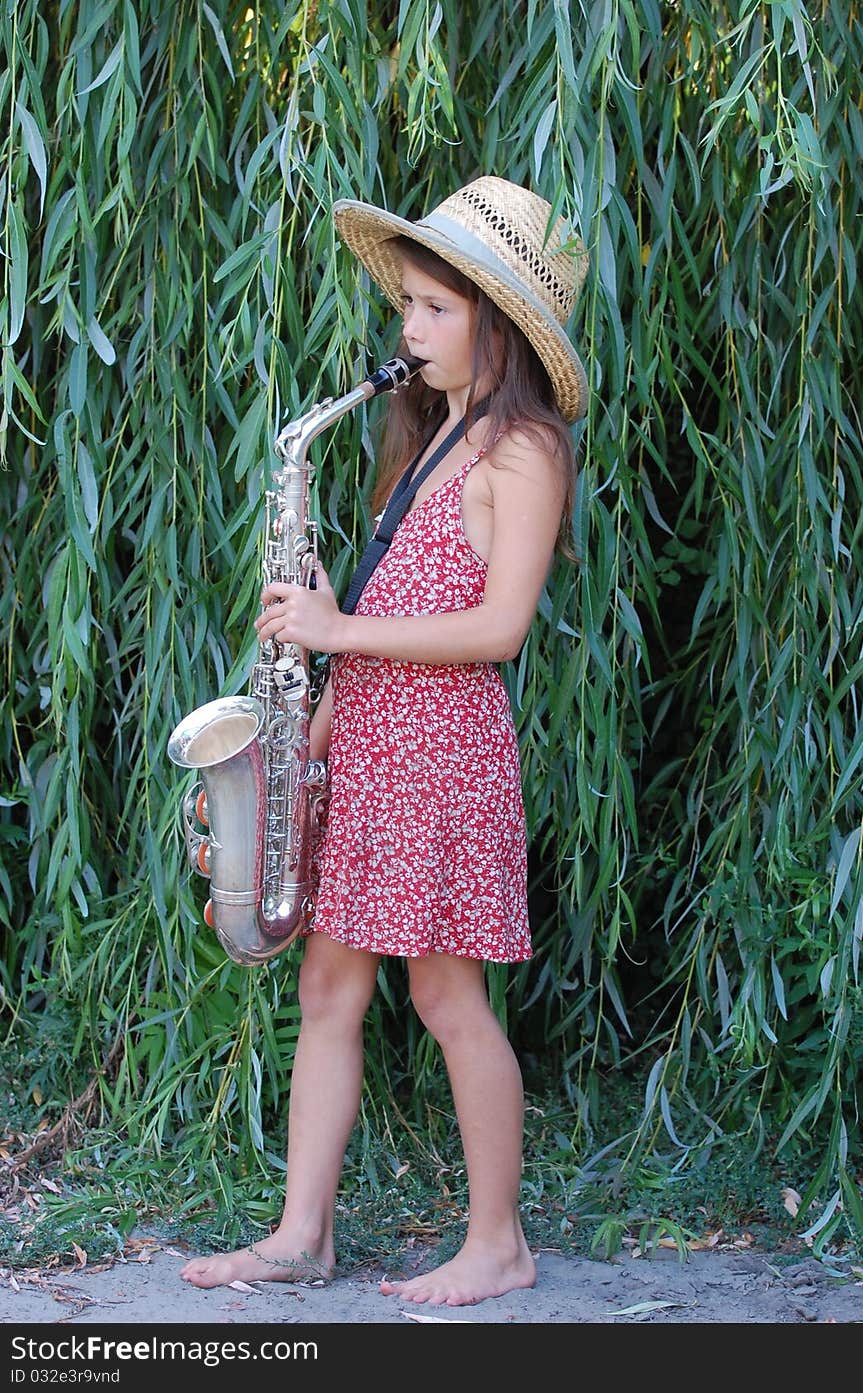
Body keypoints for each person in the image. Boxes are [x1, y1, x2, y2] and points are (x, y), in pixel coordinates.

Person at [180, 175, 588, 1307]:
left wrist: (338, 621)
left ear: (495, 320)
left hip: (440, 757)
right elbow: (385, 618)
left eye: (431, 309)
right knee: (327, 988)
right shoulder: (429, 435)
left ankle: (498, 1240)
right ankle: (299, 1234)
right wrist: (307, 730)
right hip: (364, 743)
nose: (403, 330)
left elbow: (499, 628)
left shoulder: (522, 451)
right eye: (406, 304)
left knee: (448, 998)